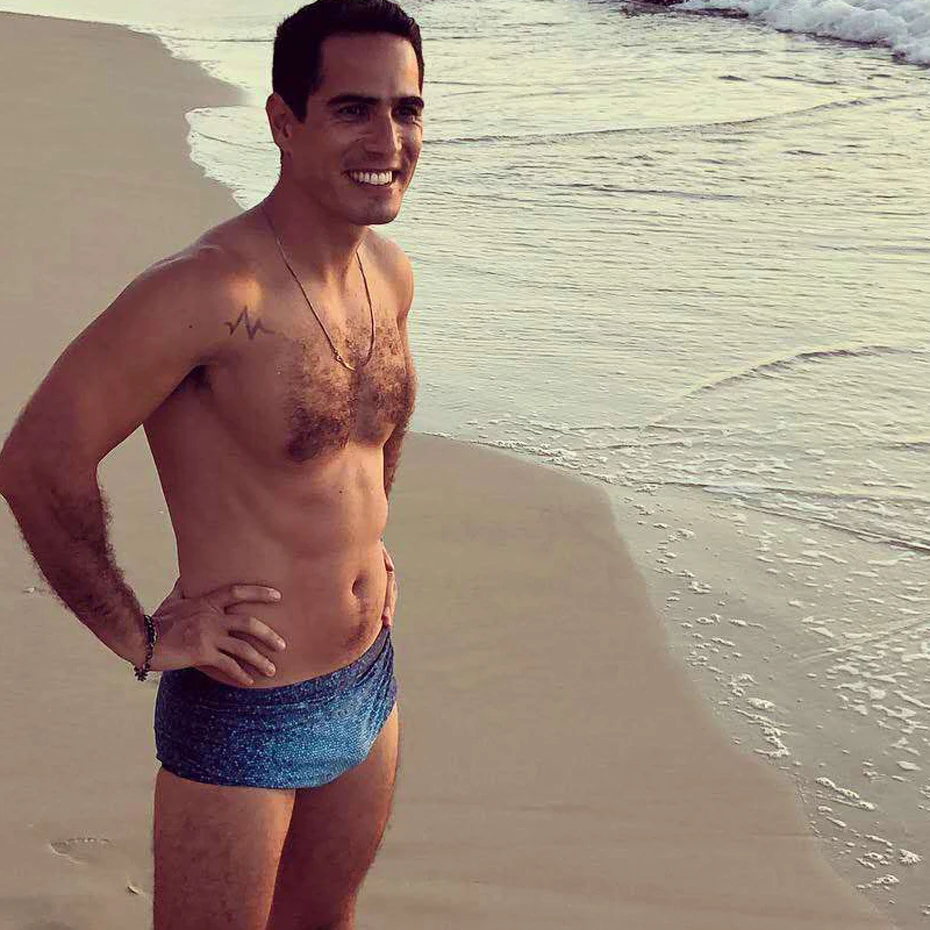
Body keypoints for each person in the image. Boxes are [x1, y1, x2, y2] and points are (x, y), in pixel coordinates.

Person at [0, 0, 424, 926]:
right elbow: (36, 460)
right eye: (353, 109)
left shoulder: (388, 273)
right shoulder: (208, 292)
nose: (387, 140)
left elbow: (375, 426)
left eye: (406, 109)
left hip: (369, 676)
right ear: (284, 121)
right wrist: (139, 637)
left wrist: (369, 541)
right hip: (247, 706)